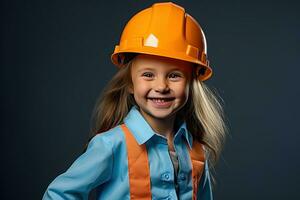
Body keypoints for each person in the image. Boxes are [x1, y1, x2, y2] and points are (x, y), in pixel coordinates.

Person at [42, 2, 226, 200]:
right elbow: (58, 194)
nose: (161, 86)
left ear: (192, 82)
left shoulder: (197, 151)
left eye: (174, 76)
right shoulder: (111, 145)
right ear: (129, 83)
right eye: (148, 74)